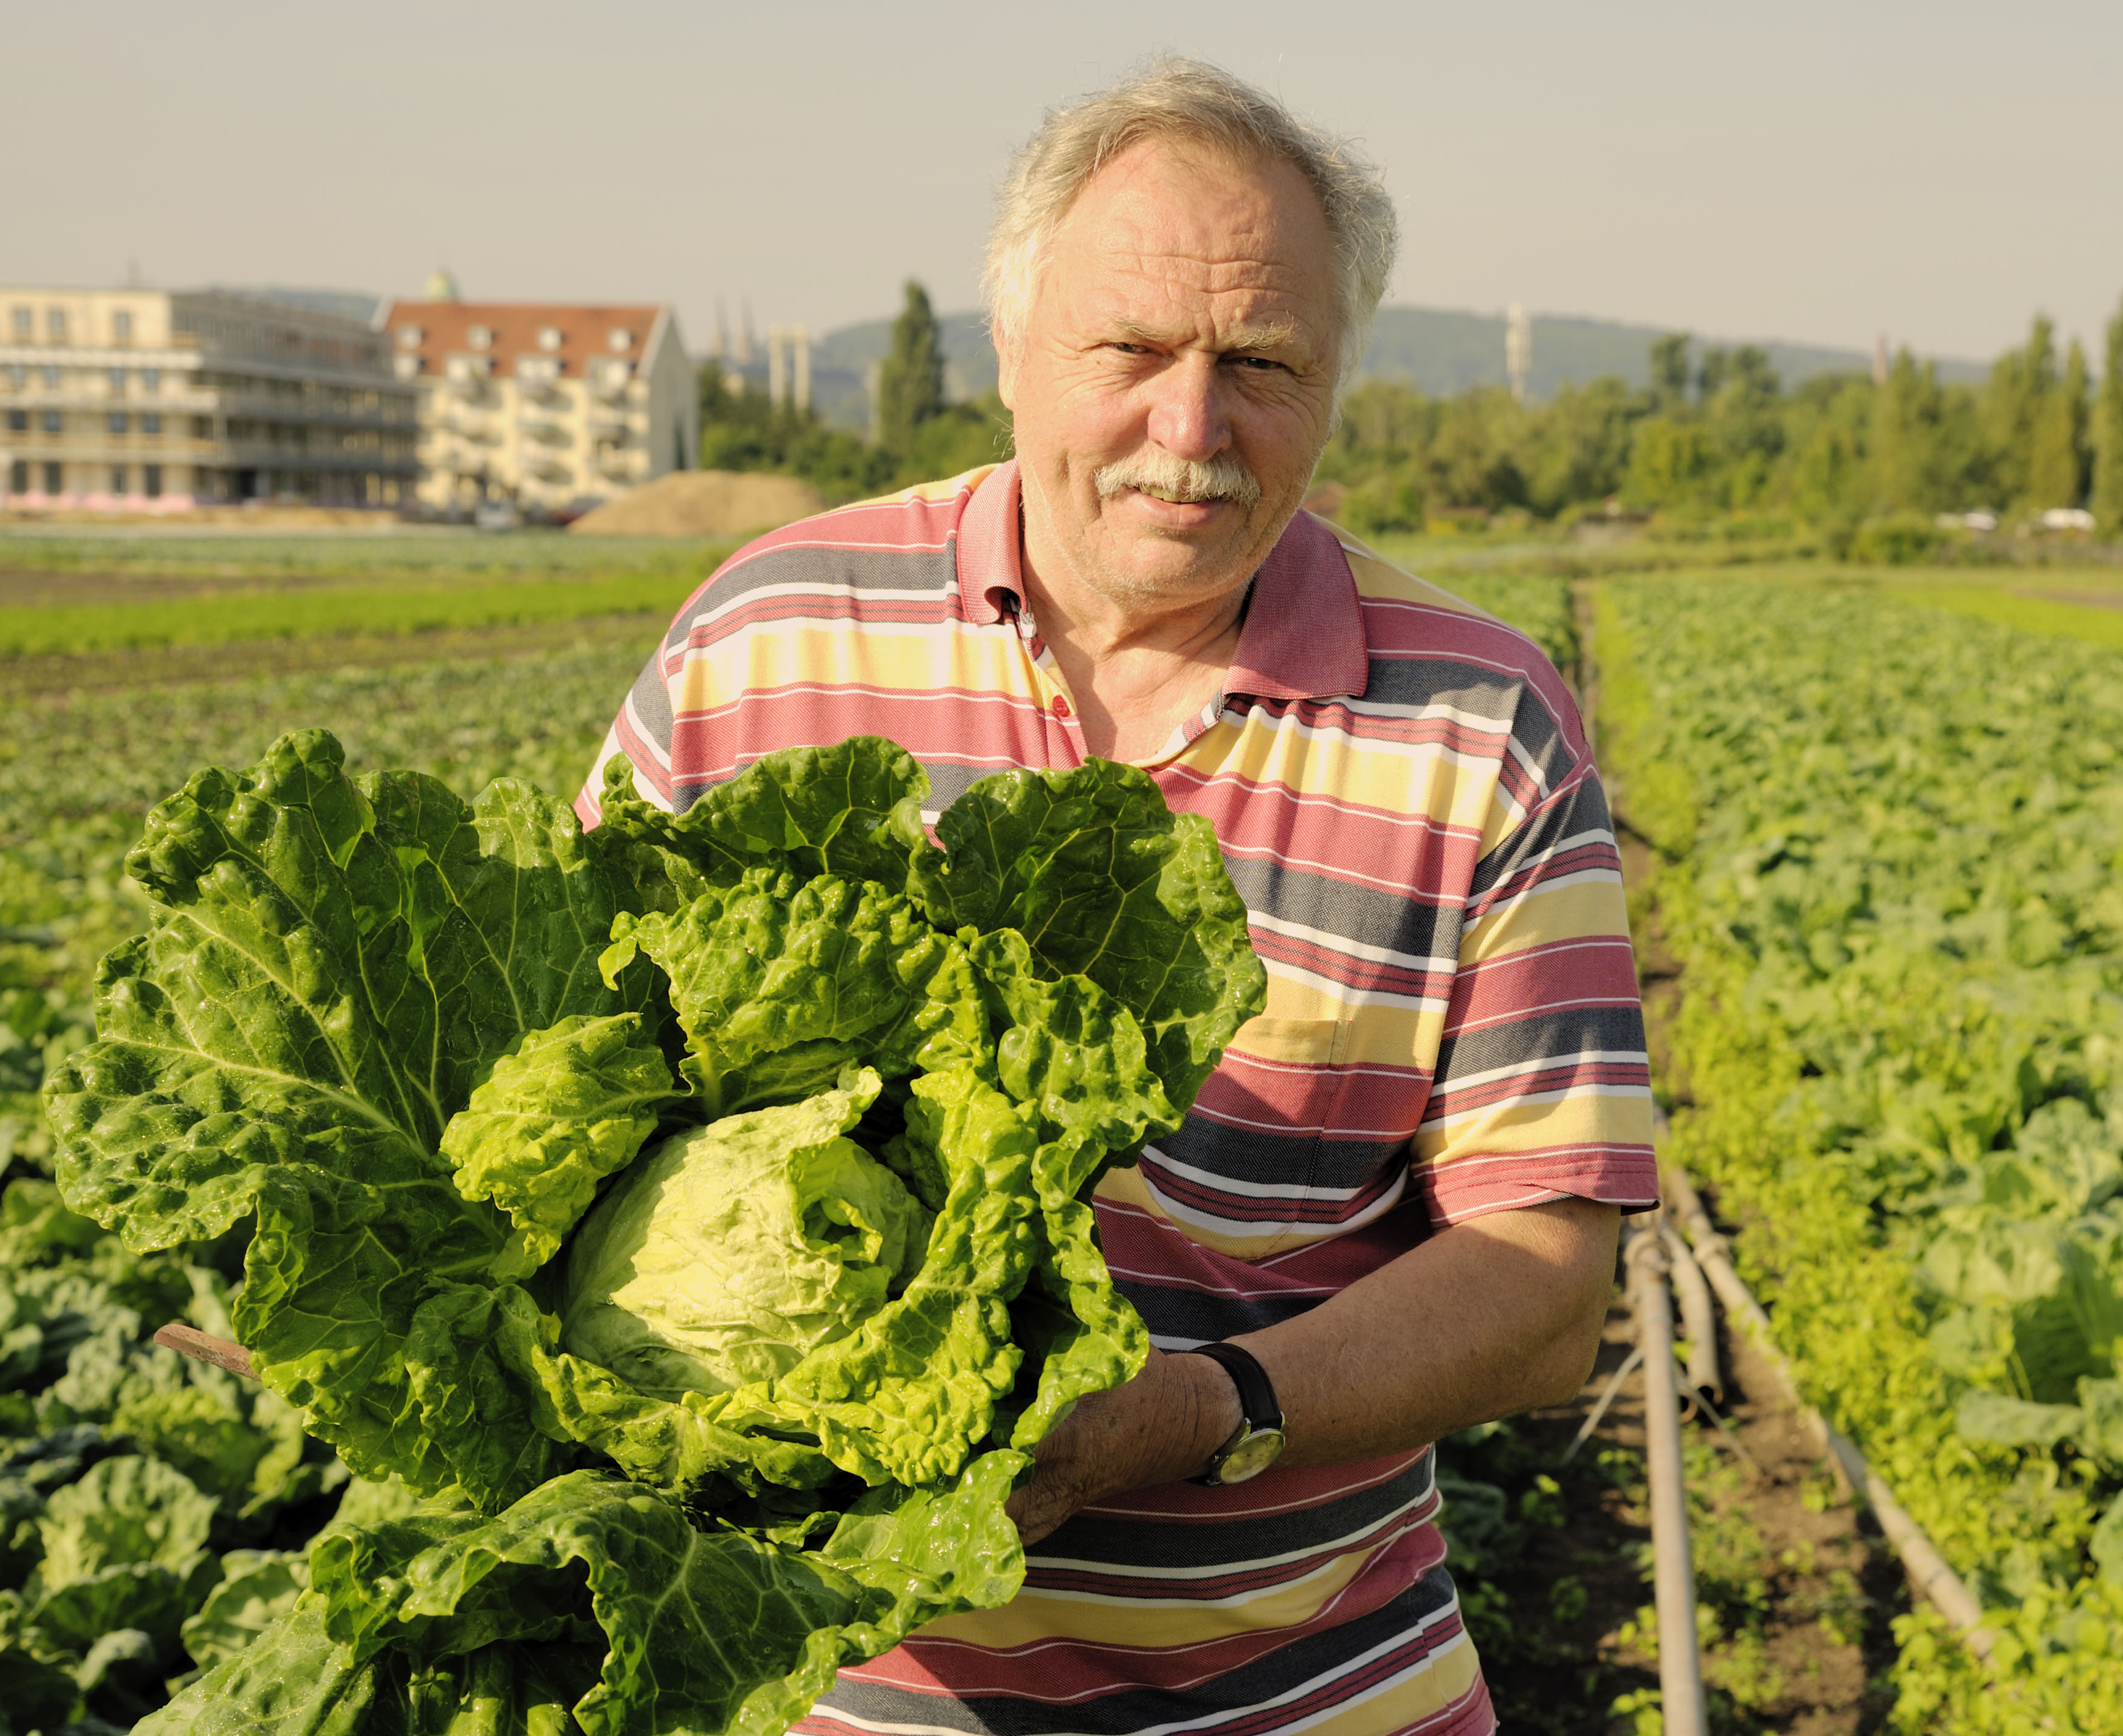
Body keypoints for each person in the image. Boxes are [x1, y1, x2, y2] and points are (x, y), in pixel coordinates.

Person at [576, 55, 1656, 1736]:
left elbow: (1541, 1282)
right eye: (1131, 350)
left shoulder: (1483, 727)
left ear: (1338, 383)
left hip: (1312, 1690)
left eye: (1263, 362)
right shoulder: (763, 641)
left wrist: (1190, 1410)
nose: (1191, 427)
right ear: (1010, 349)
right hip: (821, 1694)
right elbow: (549, 1097)